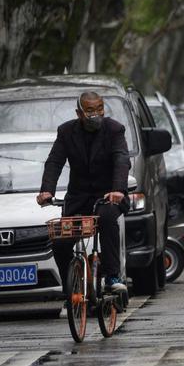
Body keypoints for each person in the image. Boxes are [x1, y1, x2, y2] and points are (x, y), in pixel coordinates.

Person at [36, 91, 131, 293]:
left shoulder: (114, 130)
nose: (96, 114)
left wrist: (117, 189)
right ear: (79, 113)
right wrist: (46, 190)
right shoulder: (66, 131)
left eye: (100, 109)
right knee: (60, 241)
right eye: (90, 110)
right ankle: (73, 287)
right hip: (78, 200)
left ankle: (112, 277)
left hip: (108, 197)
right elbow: (54, 162)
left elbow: (121, 159)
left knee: (106, 219)